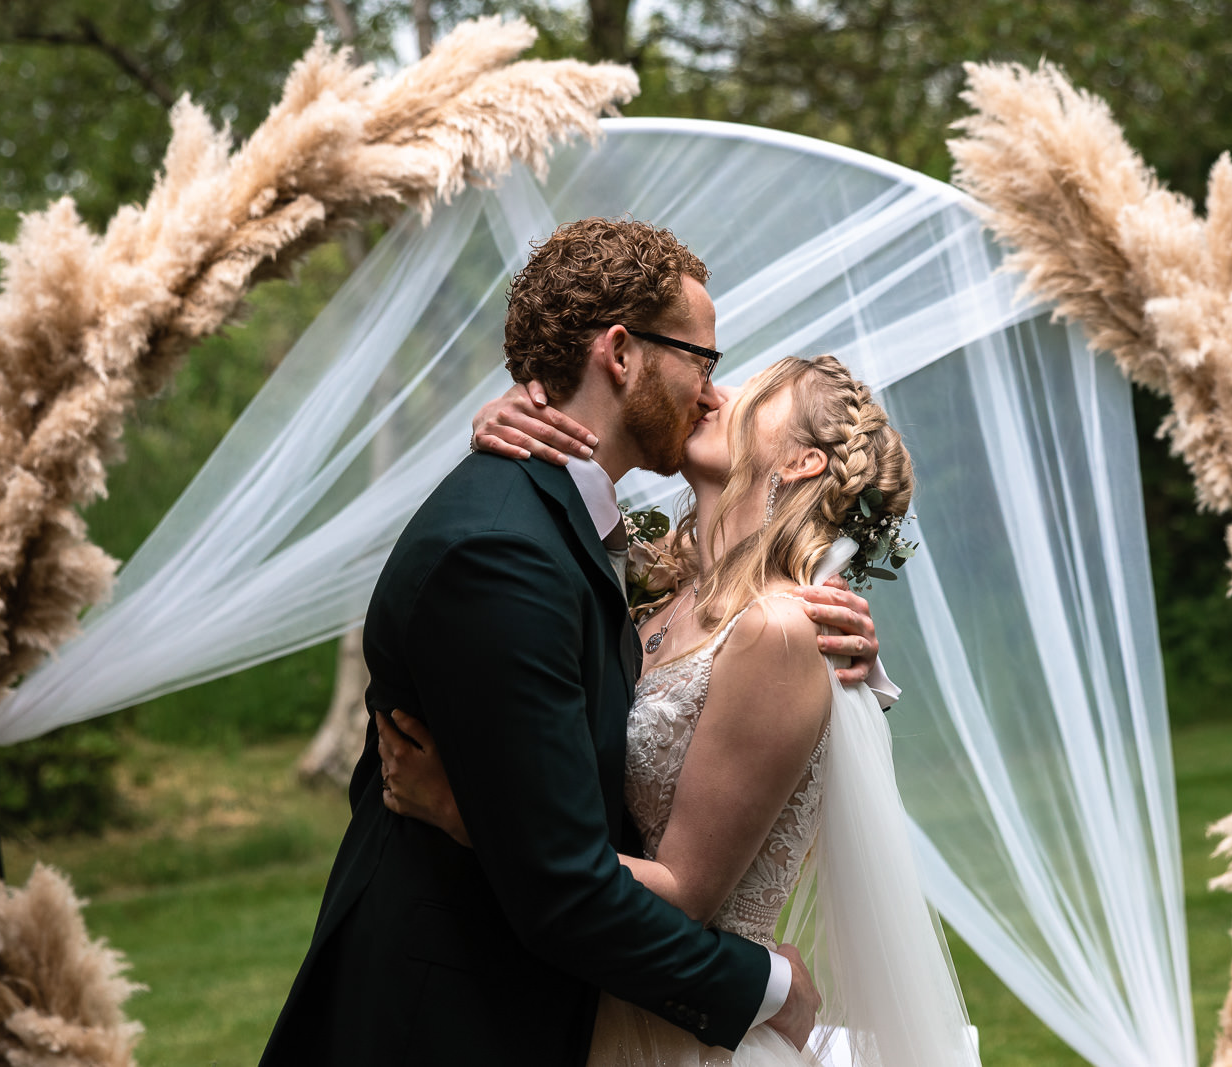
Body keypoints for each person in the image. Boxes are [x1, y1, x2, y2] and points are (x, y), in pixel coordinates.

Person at [259, 218, 885, 1067]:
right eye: (704, 361)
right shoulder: (507, 548)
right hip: (445, 1021)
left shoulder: (623, 554)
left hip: (581, 1000)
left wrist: (859, 675)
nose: (711, 392)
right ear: (621, 353)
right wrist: (768, 986)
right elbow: (561, 881)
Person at [385, 354, 978, 1065]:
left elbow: (685, 895)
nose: (715, 394)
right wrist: (507, 421)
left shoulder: (778, 628)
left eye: (754, 396)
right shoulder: (662, 589)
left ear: (799, 460)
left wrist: (469, 813)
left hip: (681, 1034)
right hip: (601, 996)